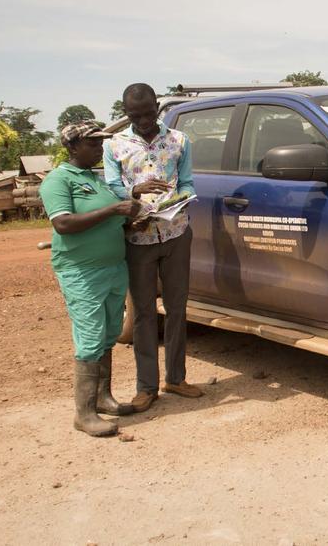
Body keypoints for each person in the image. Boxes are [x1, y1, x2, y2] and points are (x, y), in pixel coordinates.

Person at [39, 120, 141, 437]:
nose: (100, 148)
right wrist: (113, 212)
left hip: (113, 267)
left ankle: (102, 397)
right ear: (71, 147)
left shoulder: (96, 180)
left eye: (101, 143)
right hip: (82, 271)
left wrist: (130, 222)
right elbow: (65, 224)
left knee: (110, 332)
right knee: (90, 336)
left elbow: (105, 218)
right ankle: (83, 414)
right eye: (92, 143)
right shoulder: (58, 180)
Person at [103, 83, 200, 413]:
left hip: (175, 232)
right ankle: (147, 387)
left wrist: (182, 198)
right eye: (135, 115)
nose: (143, 121)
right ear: (126, 113)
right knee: (144, 313)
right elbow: (112, 189)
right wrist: (135, 190)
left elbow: (186, 181)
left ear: (157, 107)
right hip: (138, 237)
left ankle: (176, 378)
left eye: (148, 113)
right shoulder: (115, 145)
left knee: (177, 308)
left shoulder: (179, 141)